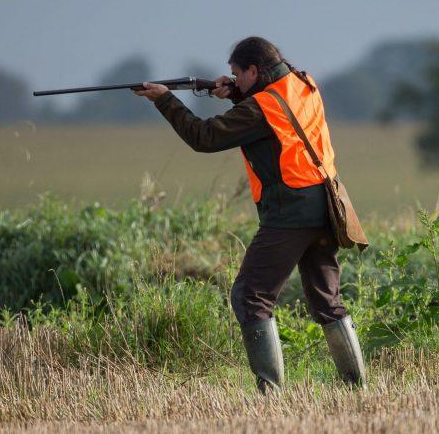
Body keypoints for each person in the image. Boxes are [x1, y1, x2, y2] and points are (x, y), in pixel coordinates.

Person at [134, 36, 365, 393]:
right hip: (326, 205)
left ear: (254, 71)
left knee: (250, 295)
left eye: (237, 74)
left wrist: (165, 100)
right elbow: (281, 117)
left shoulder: (258, 109)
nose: (233, 79)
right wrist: (239, 93)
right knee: (325, 299)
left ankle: (269, 393)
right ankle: (355, 386)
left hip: (290, 212)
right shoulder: (304, 84)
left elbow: (204, 137)